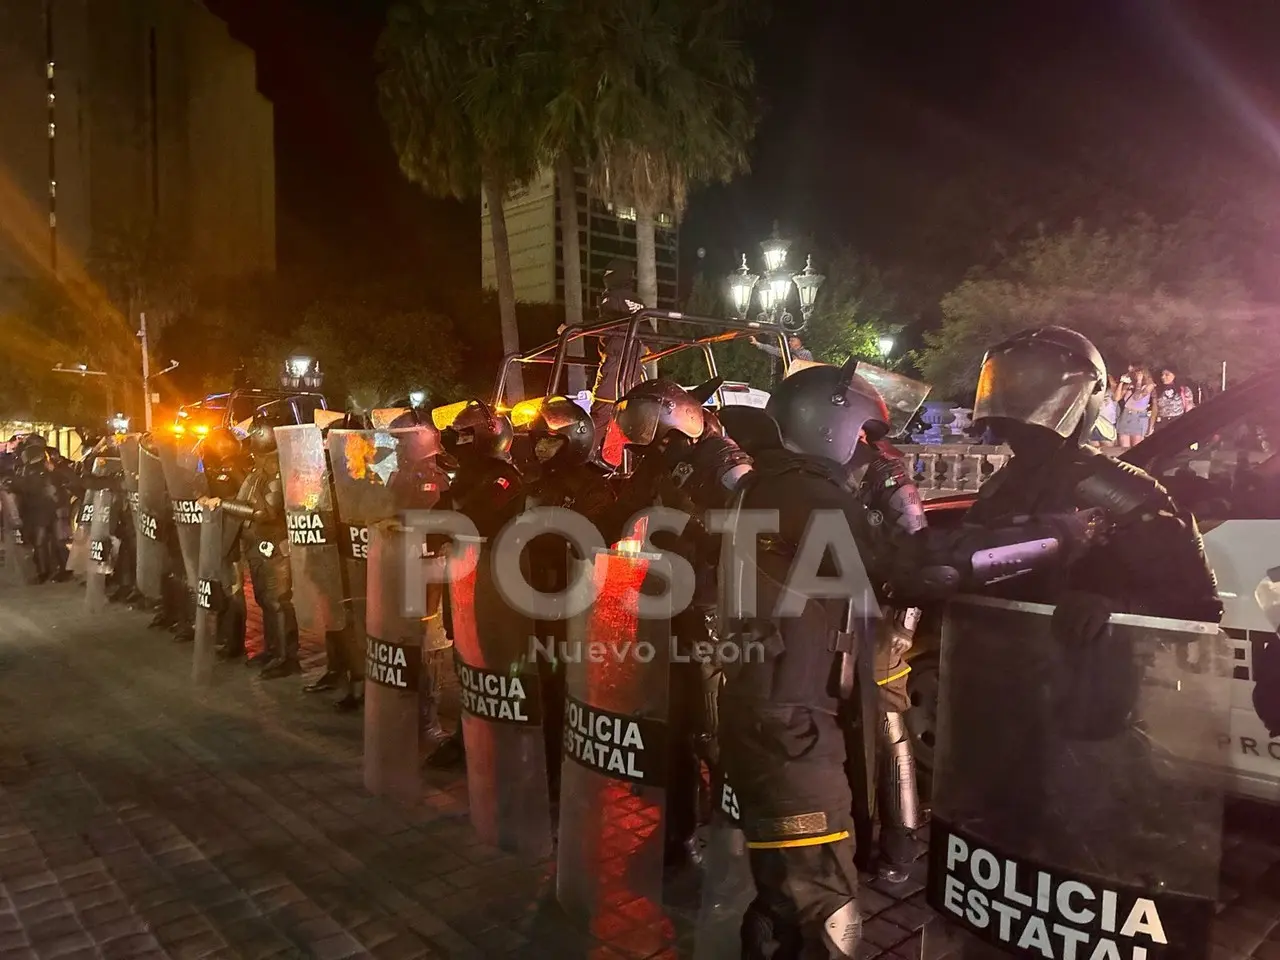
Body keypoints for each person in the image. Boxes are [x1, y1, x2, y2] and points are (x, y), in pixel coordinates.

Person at [428, 399, 524, 769]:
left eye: (466, 435)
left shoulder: (503, 478)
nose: (458, 441)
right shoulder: (467, 475)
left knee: (492, 661)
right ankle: (468, 732)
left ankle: (497, 735)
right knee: (464, 655)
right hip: (464, 579)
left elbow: (471, 520)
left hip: (493, 585)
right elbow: (443, 516)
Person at [215, 417, 301, 679]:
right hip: (257, 545)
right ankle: (273, 649)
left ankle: (286, 656)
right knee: (265, 600)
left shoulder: (277, 468)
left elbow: (265, 512)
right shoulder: (259, 470)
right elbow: (246, 499)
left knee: (278, 602)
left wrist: (223, 504)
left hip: (274, 546)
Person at [558, 259, 653, 459]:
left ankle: (586, 460)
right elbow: (652, 339)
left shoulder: (612, 297)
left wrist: (574, 330)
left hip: (613, 371)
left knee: (600, 418)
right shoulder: (639, 303)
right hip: (632, 376)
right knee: (623, 422)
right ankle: (615, 461)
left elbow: (603, 324)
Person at [196, 427, 250, 661]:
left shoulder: (239, 465)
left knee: (234, 590)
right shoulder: (212, 464)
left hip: (234, 537)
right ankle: (221, 636)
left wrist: (224, 502)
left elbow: (246, 498)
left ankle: (234, 642)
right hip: (217, 533)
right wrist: (202, 497)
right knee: (220, 586)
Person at [1115, 365, 1153, 448]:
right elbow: (1117, 398)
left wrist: (1139, 382)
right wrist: (1121, 383)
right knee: (1124, 448)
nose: (1135, 375)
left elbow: (1137, 397)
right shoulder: (1130, 385)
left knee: (1137, 448)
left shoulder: (1149, 385)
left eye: (1137, 373)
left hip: (1138, 417)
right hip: (1126, 415)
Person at [1151, 366, 1195, 432]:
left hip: (1178, 421)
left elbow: (1189, 408)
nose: (1163, 377)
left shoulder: (1184, 390)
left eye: (1167, 375)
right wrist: (1151, 425)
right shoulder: (1157, 390)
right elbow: (1155, 408)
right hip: (1162, 422)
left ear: (1174, 375)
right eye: (1162, 375)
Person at [749, 334, 813, 363]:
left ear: (799, 341)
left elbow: (810, 368)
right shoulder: (787, 352)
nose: (789, 342)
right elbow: (773, 350)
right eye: (789, 340)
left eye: (792, 340)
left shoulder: (806, 353)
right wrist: (757, 343)